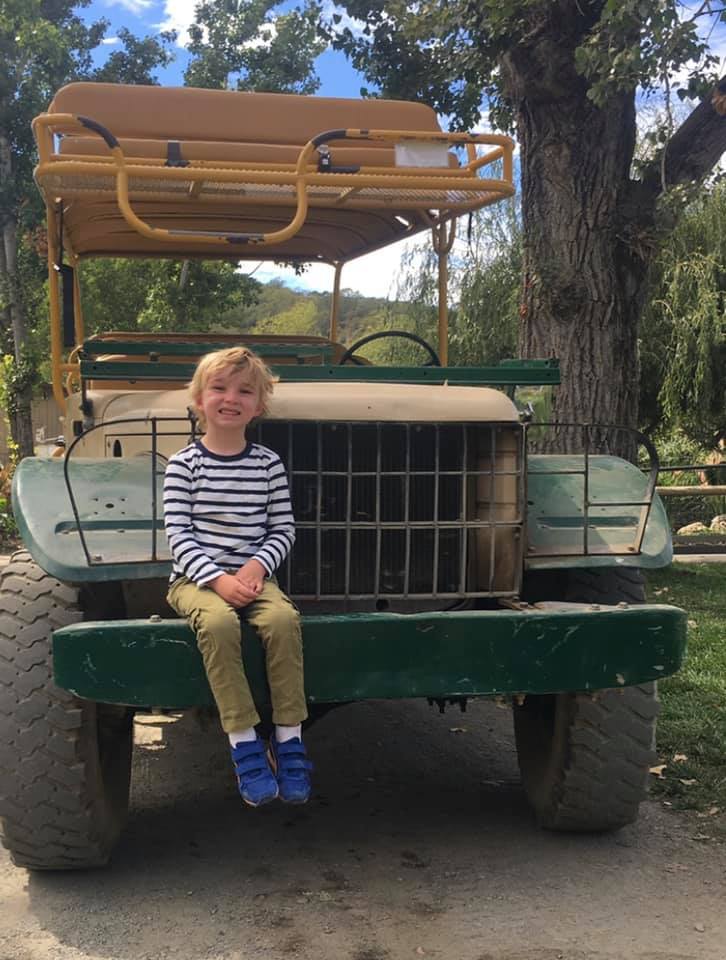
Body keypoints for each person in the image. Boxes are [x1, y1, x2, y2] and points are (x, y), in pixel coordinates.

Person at [163, 346, 311, 807]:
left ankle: (289, 738)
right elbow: (179, 535)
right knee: (220, 624)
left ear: (259, 405)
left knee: (284, 621)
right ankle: (244, 740)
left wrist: (256, 566)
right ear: (198, 399)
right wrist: (217, 579)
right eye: (220, 388)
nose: (232, 398)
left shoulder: (267, 464)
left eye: (245, 391)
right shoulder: (183, 466)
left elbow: (283, 527)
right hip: (194, 580)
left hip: (253, 576)